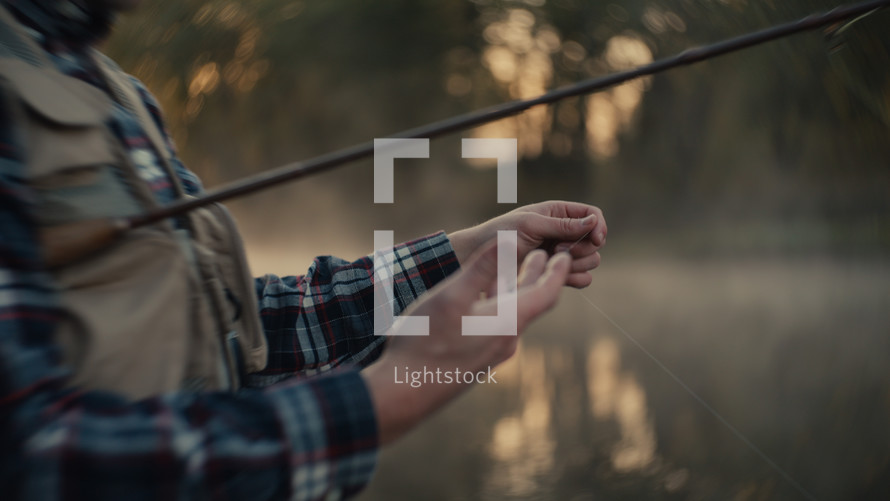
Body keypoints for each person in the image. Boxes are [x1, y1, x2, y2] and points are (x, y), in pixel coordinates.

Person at [0, 0, 607, 499]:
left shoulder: (117, 94)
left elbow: (242, 329)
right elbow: (31, 451)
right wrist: (388, 397)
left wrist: (468, 251)